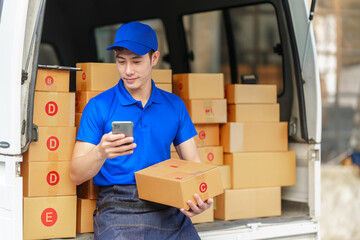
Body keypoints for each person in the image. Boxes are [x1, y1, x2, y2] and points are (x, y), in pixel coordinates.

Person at [70, 21, 212, 240]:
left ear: (154, 58)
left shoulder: (174, 105)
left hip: (167, 205)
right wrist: (101, 152)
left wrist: (199, 200)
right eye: (121, 62)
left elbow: (193, 165)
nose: (128, 71)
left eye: (136, 61)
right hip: (117, 207)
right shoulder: (99, 106)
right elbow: (76, 175)